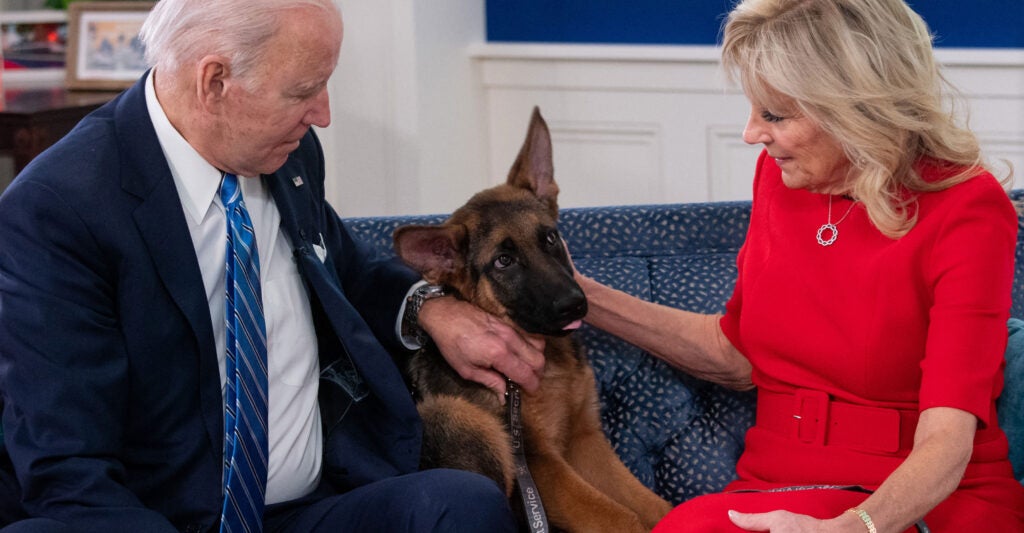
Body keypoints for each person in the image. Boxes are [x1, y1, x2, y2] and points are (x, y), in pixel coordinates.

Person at [0, 0, 546, 531]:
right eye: (304, 91)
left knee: (459, 504)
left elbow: (345, 267)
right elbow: (67, 467)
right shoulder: (59, 210)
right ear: (214, 81)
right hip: (158, 516)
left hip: (309, 506)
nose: (324, 115)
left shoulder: (286, 153)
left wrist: (432, 309)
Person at [570, 0, 1024, 531]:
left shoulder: (967, 206)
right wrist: (577, 296)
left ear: (854, 108)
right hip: (777, 485)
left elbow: (948, 438)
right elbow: (737, 353)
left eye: (775, 115)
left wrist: (854, 527)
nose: (750, 134)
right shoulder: (781, 177)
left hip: (917, 500)